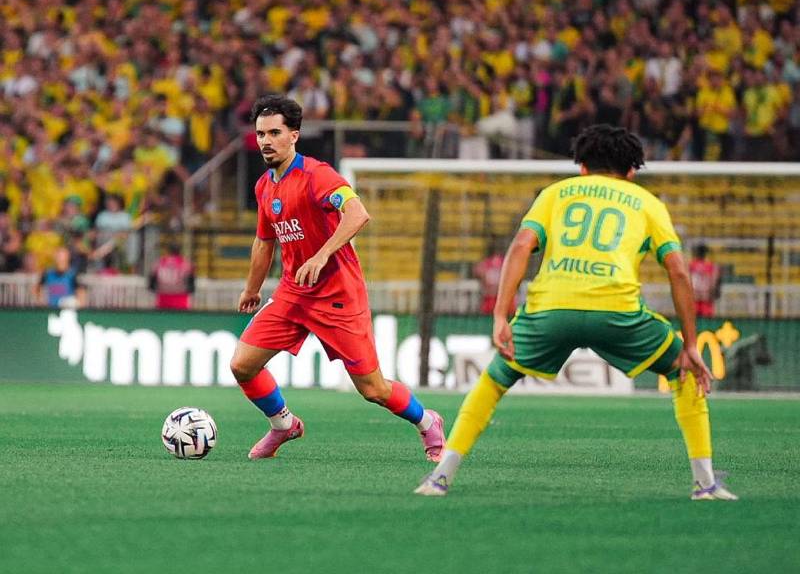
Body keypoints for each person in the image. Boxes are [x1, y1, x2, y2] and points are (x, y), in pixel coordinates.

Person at [415, 124, 737, 501]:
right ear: (632, 171)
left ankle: (441, 477)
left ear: (581, 166)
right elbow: (679, 272)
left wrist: (501, 315)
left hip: (551, 308)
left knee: (495, 380)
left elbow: (520, 246)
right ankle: (705, 483)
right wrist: (692, 344)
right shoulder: (647, 203)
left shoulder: (555, 193)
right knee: (682, 371)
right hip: (617, 312)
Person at [229, 94, 445, 461]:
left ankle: (428, 423)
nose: (265, 140)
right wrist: (252, 288)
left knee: (373, 389)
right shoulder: (265, 186)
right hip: (293, 294)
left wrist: (322, 254)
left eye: (274, 132)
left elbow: (358, 214)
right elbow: (264, 241)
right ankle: (284, 425)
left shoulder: (317, 174)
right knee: (242, 364)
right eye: (261, 133)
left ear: (293, 135)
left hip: (338, 295)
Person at [148, 242, 195, 310]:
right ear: (179, 251)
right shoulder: (185, 263)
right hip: (181, 299)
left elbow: (151, 282)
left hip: (163, 298)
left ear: (169, 251)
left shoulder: (160, 262)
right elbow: (191, 284)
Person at [689, 244, 721, 318]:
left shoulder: (691, 265)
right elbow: (714, 282)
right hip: (706, 297)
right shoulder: (711, 266)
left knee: (693, 320)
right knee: (707, 322)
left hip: (694, 296)